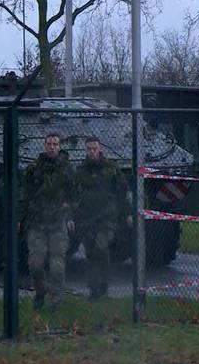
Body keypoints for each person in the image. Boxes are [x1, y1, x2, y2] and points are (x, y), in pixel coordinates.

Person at [22, 133, 76, 310]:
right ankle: (40, 290)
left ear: (59, 147)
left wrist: (69, 215)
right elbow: (24, 194)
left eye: (55, 144)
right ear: (44, 145)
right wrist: (20, 218)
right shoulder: (34, 168)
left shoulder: (67, 170)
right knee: (35, 264)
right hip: (37, 222)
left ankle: (56, 301)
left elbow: (75, 195)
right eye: (49, 144)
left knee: (57, 266)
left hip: (58, 222)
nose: (52, 147)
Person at [75, 137, 132, 300]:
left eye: (95, 148)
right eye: (89, 149)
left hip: (107, 217)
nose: (92, 151)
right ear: (86, 150)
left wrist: (127, 213)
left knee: (101, 247)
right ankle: (94, 289)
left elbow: (122, 191)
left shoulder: (111, 168)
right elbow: (75, 195)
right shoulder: (81, 170)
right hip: (87, 219)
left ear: (100, 149)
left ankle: (104, 285)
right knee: (90, 253)